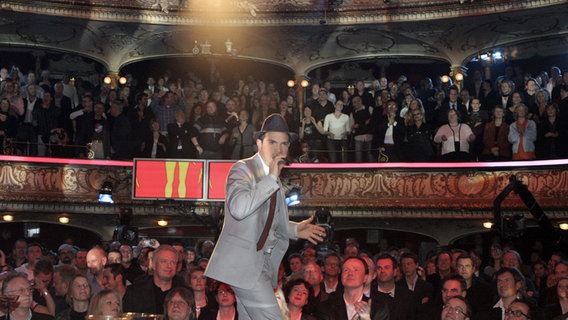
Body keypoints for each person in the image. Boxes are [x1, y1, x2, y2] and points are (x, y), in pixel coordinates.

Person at [204, 114, 326, 320]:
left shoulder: (273, 179)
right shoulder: (243, 169)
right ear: (259, 143)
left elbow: (265, 221)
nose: (279, 149)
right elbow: (239, 208)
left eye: (284, 144)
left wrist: (295, 229)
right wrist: (270, 178)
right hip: (243, 265)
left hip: (260, 265)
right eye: (272, 142)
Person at [123, 245, 183, 314]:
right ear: (154, 264)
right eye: (164, 261)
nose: (169, 266)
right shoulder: (134, 292)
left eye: (173, 262)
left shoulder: (184, 293)